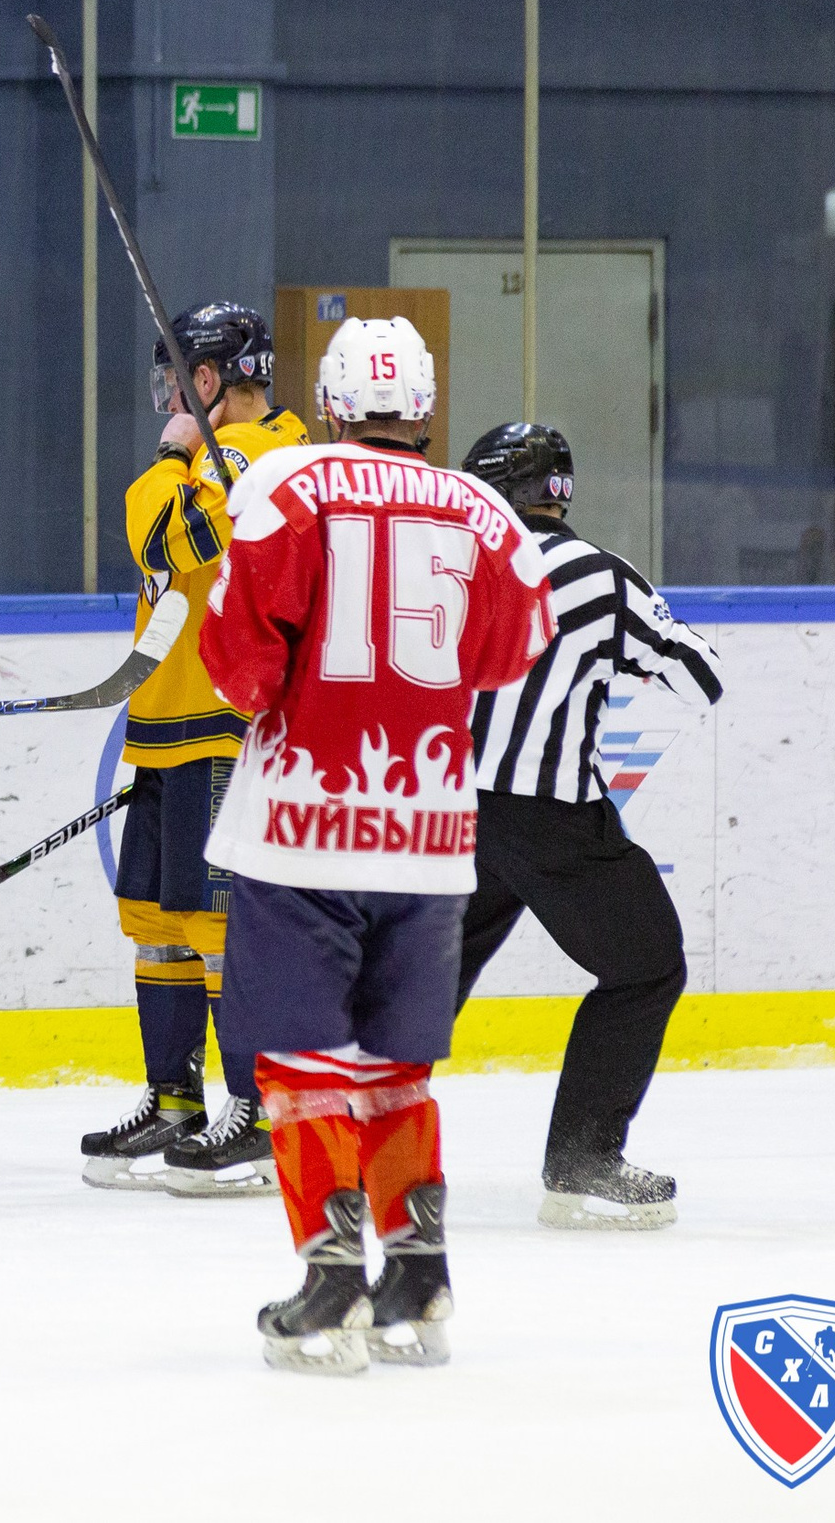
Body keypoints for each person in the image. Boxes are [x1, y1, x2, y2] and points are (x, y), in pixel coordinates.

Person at [200, 316, 553, 1373]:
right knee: (396, 1063)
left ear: (335, 399)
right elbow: (508, 653)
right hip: (431, 832)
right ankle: (417, 1270)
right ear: (426, 403)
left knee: (302, 1064)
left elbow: (239, 667)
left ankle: (329, 1285)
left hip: (302, 830)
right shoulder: (489, 511)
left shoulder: (283, 488)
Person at [459, 422, 724, 1230]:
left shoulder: (449, 568)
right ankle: (582, 1154)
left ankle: (339, 1131)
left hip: (447, 812)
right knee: (647, 965)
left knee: (419, 982)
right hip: (555, 821)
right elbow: (698, 674)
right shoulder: (600, 577)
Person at [81, 303, 308, 1195]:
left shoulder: (263, 455)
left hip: (224, 721)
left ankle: (253, 1107)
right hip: (167, 719)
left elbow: (169, 537)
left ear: (210, 380)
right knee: (158, 919)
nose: (168, 397)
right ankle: (174, 1097)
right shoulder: (212, 461)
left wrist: (179, 457)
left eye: (180, 379)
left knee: (220, 928)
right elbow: (159, 537)